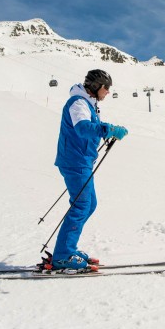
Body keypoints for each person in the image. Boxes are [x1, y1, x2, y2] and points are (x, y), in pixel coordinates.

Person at [51, 69, 128, 270]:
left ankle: (68, 248)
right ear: (97, 87)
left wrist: (106, 127)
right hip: (75, 161)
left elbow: (90, 125)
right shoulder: (78, 103)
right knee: (81, 206)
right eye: (107, 88)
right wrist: (107, 129)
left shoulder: (87, 104)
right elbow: (83, 128)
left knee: (90, 204)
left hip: (81, 160)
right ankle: (62, 256)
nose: (108, 92)